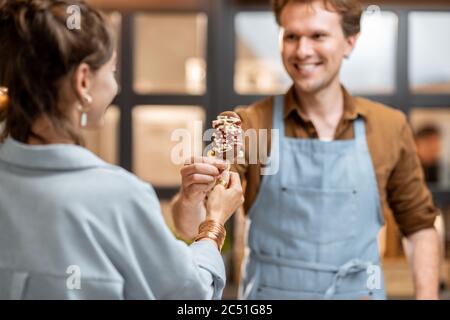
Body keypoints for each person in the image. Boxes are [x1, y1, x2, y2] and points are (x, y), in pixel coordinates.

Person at [172, 0, 440, 299]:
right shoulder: (251, 124)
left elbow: (420, 228)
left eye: (317, 36)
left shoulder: (389, 127)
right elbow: (190, 225)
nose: (302, 51)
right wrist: (191, 195)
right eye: (291, 36)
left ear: (350, 42)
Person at [0, 0, 243, 299]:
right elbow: (190, 296)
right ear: (84, 80)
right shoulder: (117, 196)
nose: (115, 87)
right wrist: (215, 222)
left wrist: (190, 207)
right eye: (112, 71)